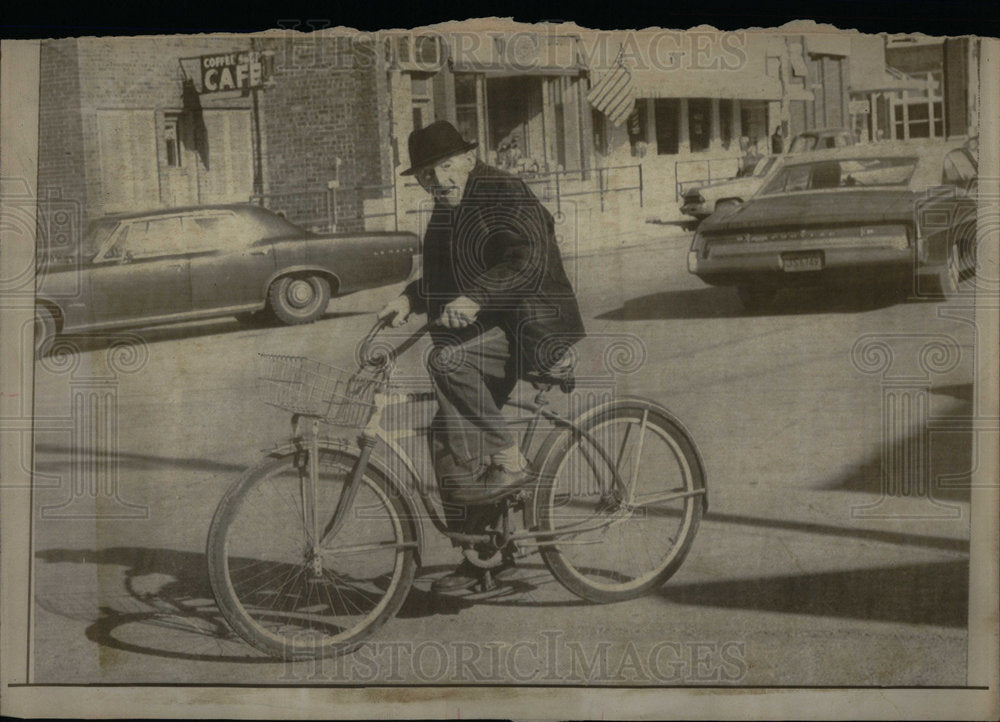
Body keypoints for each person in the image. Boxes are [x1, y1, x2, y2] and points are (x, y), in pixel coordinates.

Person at [377, 120, 586, 592]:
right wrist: (409, 300)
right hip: (490, 329)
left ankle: (510, 460)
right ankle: (486, 556)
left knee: (448, 364)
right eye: (427, 175)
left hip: (532, 325)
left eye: (445, 167)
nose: (438, 181)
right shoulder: (447, 208)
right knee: (451, 436)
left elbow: (527, 259)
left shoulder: (504, 190)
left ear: (468, 159)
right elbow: (438, 277)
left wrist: (475, 298)